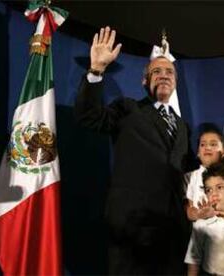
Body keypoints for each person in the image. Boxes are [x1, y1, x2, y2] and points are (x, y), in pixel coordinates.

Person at [74, 26, 194, 274]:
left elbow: (188, 171)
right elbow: (90, 117)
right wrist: (96, 70)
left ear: (175, 81)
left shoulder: (183, 127)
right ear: (144, 80)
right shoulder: (128, 109)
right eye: (156, 71)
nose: (163, 75)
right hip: (131, 226)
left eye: (169, 72)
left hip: (172, 230)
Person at [185, 125, 224, 221]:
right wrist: (198, 214)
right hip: (203, 232)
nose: (207, 147)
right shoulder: (192, 177)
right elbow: (189, 209)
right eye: (202, 145)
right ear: (198, 152)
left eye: (213, 144)